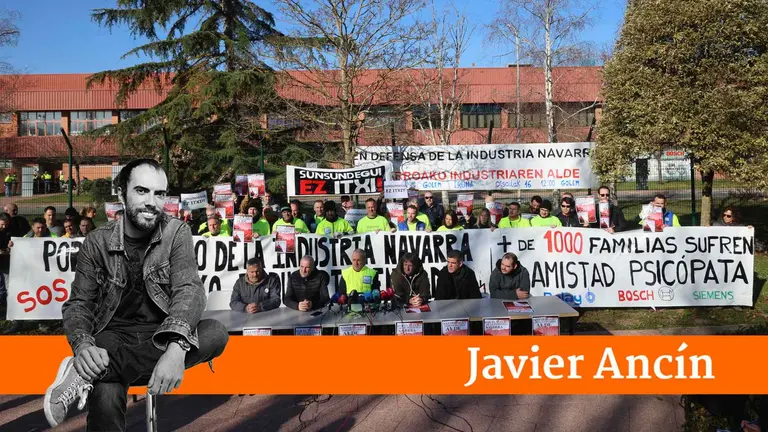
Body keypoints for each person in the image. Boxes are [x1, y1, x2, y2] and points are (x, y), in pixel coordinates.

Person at [45, 158, 228, 430]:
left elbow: (189, 290)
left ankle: (84, 374)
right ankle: (94, 368)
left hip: (162, 337)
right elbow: (79, 304)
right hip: (113, 336)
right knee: (104, 375)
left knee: (215, 332)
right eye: (142, 191)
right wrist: (83, 345)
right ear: (122, 194)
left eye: (159, 193)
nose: (151, 202)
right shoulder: (97, 242)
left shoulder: (176, 232)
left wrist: (177, 348)